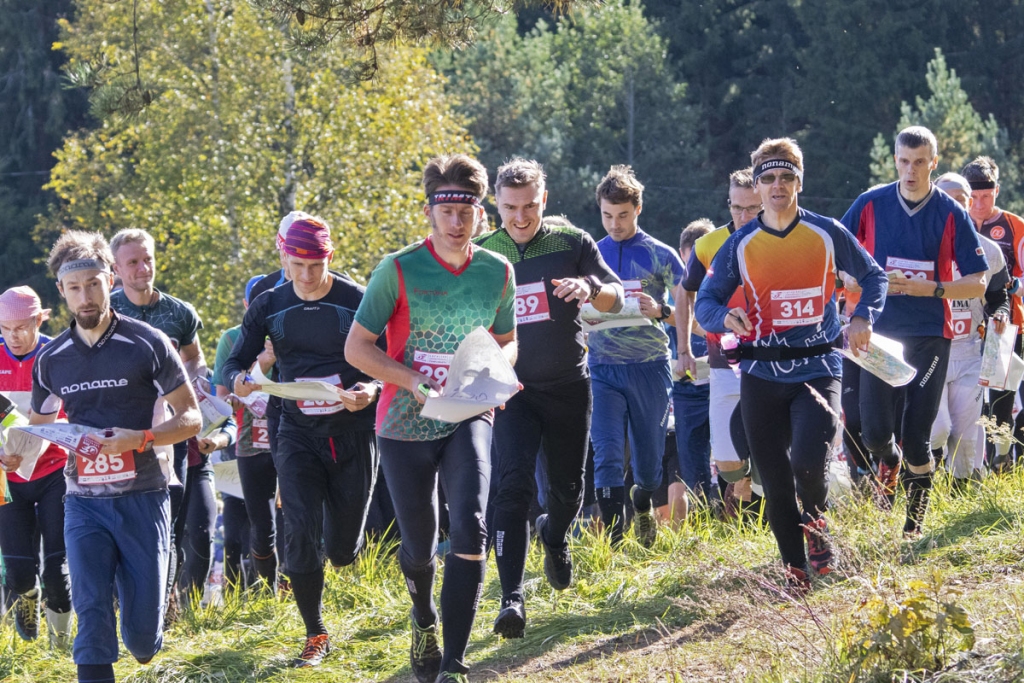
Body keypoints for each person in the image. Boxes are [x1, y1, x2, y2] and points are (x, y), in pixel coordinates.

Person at [346, 153, 517, 683]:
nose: (457, 220)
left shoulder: (498, 272)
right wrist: (413, 381)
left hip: (468, 414)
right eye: (446, 209)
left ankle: (453, 661)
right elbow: (357, 348)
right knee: (420, 544)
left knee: (471, 523)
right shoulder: (397, 269)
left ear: (481, 215)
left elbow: (508, 343)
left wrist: (495, 374)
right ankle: (423, 617)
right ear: (429, 212)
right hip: (404, 422)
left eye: (467, 209)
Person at [696, 137, 887, 589]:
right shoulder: (740, 243)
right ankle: (794, 568)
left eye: (786, 176)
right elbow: (705, 301)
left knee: (807, 463)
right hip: (761, 374)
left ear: (800, 180)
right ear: (757, 185)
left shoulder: (826, 232)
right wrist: (725, 316)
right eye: (768, 178)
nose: (777, 185)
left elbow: (874, 276)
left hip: (818, 368)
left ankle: (817, 526)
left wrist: (862, 317)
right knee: (776, 480)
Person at [23, 230, 201, 683]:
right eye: (75, 287)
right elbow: (41, 431)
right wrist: (17, 453)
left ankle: (141, 608)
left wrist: (138, 439)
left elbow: (192, 419)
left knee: (142, 641)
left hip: (144, 495)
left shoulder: (149, 342)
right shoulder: (52, 359)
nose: (86, 296)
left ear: (110, 281)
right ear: (61, 292)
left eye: (94, 283)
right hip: (83, 503)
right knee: (92, 612)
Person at [222, 217, 382, 667]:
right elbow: (235, 363)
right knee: (298, 533)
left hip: (351, 430)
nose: (307, 276)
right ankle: (315, 633)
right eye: (298, 265)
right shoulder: (269, 304)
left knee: (342, 549)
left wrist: (369, 389)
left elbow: (389, 358)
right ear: (284, 259)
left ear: (330, 257)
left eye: (316, 265)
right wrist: (245, 378)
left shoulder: (357, 299)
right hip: (294, 433)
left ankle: (341, 553)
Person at [474, 157, 623, 639]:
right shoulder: (482, 253)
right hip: (511, 392)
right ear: (495, 204)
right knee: (512, 488)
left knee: (566, 493)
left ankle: (554, 536)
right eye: (510, 207)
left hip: (566, 385)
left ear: (545, 201)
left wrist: (591, 287)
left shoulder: (571, 242)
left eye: (530, 206)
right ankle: (511, 598)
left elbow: (616, 296)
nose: (520, 218)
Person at [842, 126, 988, 537]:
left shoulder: (950, 212)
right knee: (873, 434)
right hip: (879, 334)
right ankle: (887, 461)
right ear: (894, 161)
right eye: (904, 161)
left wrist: (931, 289)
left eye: (920, 162)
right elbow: (836, 257)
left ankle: (913, 529)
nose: (911, 170)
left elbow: (978, 281)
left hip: (929, 337)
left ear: (933, 163)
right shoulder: (870, 203)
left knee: (918, 436)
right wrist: (852, 281)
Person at [109, 228, 206, 615]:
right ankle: (125, 603)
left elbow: (196, 359)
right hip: (120, 430)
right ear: (116, 269)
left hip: (170, 428)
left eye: (147, 259)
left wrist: (191, 379)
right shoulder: (108, 311)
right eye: (132, 262)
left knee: (170, 511)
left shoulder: (179, 312)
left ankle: (164, 604)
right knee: (123, 517)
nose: (142, 268)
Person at [589, 165, 686, 547]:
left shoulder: (660, 255)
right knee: (608, 455)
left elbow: (691, 316)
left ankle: (643, 503)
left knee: (648, 466)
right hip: (602, 368)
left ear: (638, 209)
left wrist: (661, 311)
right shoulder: (591, 254)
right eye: (607, 215)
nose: (615, 224)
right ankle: (612, 544)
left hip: (649, 368)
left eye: (623, 215)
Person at [677, 169, 763, 513]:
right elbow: (684, 294)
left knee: (765, 449)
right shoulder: (708, 244)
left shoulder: (775, 239)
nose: (743, 216)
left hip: (767, 362)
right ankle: (744, 503)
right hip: (721, 362)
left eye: (752, 209)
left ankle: (763, 519)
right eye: (736, 207)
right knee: (727, 461)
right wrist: (683, 348)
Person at [926, 172, 1009, 485]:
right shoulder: (920, 245)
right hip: (930, 350)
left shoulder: (988, 251)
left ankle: (962, 493)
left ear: (969, 204)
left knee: (967, 436)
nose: (956, 207)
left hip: (970, 350)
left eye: (962, 201)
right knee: (937, 429)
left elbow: (998, 296)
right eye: (948, 200)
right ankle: (924, 475)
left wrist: (999, 315)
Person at [0, 286, 72, 647]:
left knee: (58, 572)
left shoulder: (58, 353)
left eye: (22, 327)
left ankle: (60, 650)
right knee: (18, 573)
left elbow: (78, 414)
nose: (13, 336)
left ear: (39, 319)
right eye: (5, 328)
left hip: (54, 473)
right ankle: (27, 600)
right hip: (7, 477)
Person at [212, 275, 279, 591]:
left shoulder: (289, 331)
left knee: (292, 517)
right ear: (246, 306)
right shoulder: (232, 338)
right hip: (243, 442)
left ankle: (285, 587)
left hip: (286, 438)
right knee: (241, 523)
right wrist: (236, 397)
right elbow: (221, 395)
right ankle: (238, 590)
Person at [960, 156, 1024, 471]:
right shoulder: (956, 221)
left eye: (986, 196)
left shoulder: (1015, 226)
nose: (979, 203)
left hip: (1005, 325)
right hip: (963, 328)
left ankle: (1002, 463)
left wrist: (1014, 288)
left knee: (1000, 397)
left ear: (997, 191)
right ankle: (969, 467)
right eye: (973, 197)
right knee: (968, 399)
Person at [672, 219, 715, 503]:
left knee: (733, 458)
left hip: (723, 379)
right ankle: (705, 524)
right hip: (687, 387)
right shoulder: (673, 291)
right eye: (688, 265)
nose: (694, 275)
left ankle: (740, 521)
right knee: (692, 468)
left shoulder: (725, 284)